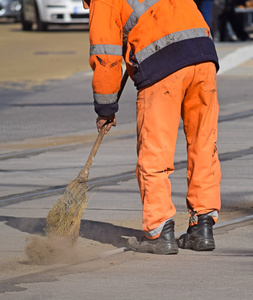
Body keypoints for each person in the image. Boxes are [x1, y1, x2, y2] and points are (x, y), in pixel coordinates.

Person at [83, 0, 221, 255]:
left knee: (155, 151)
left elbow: (105, 56)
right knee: (204, 144)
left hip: (163, 68)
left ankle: (159, 231)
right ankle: (202, 228)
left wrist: (105, 109)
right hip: (203, 56)